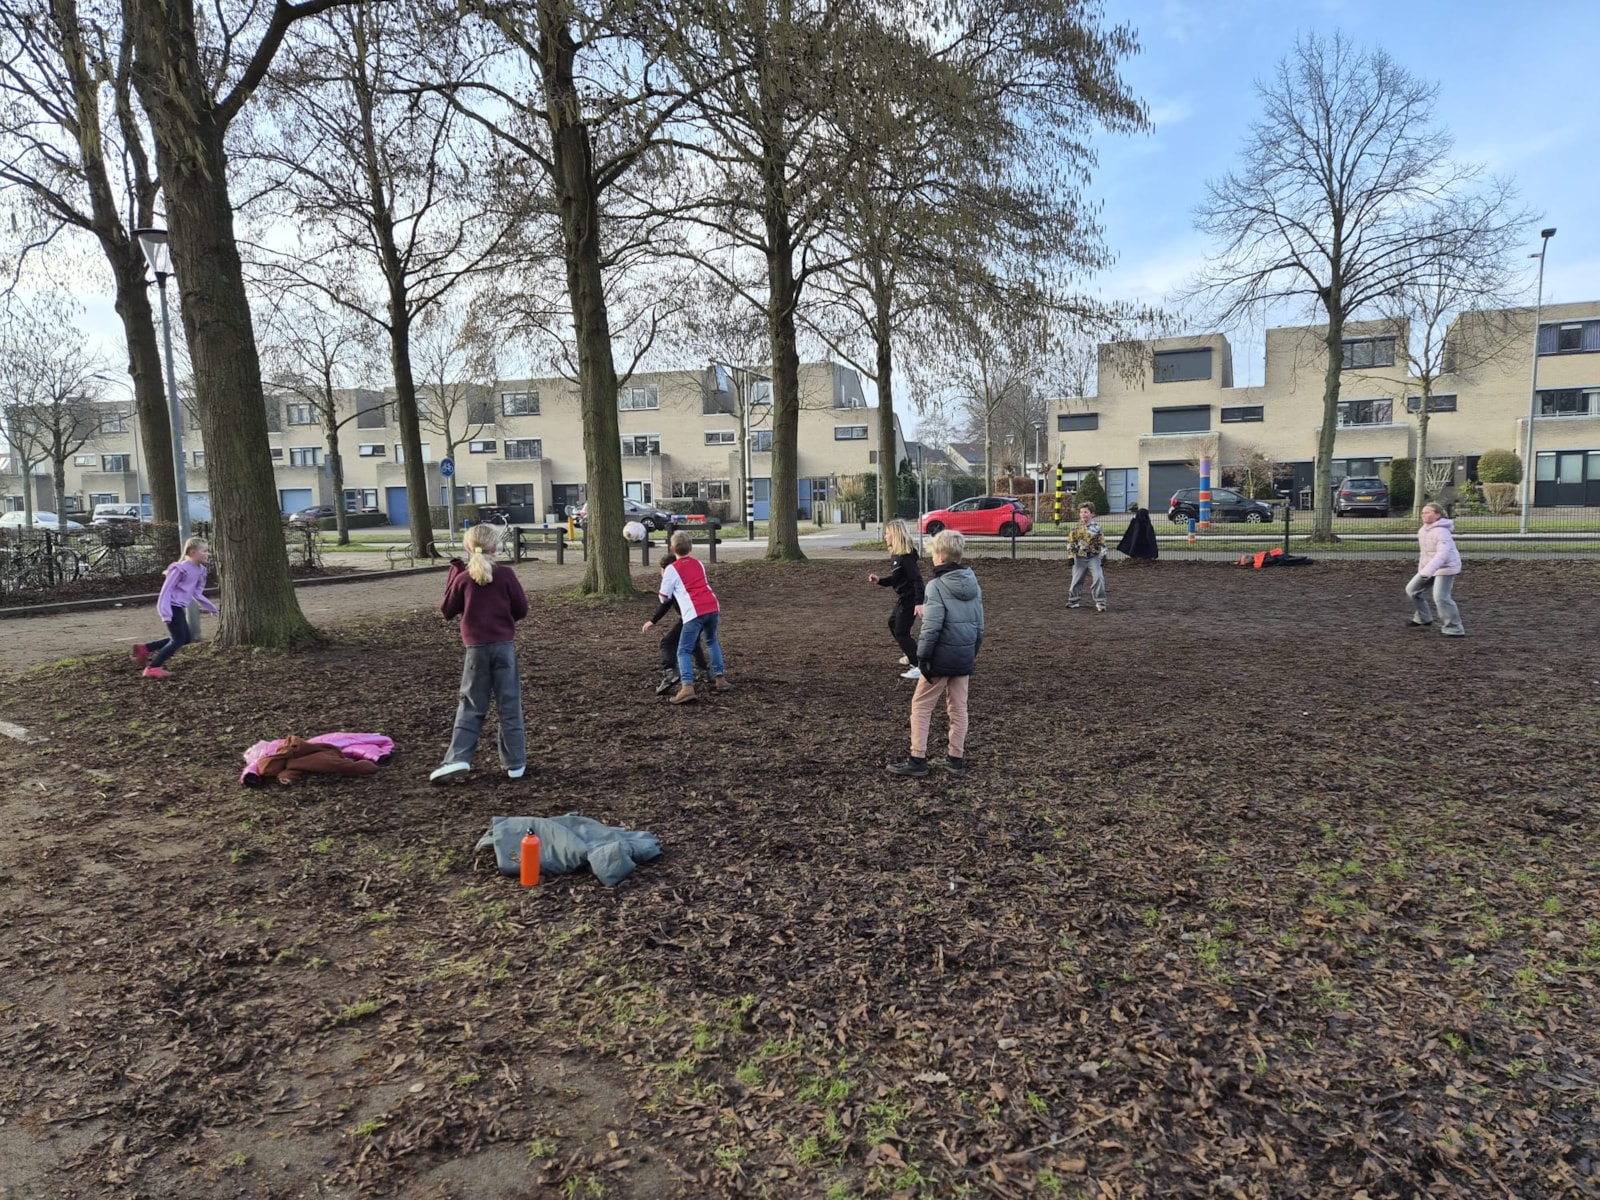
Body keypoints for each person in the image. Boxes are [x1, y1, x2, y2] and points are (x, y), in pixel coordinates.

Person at [431, 525, 530, 784]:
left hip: (476, 651)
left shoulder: (463, 579)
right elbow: (521, 609)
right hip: (504, 648)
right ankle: (516, 763)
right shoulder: (506, 575)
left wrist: (454, 574)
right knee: (509, 705)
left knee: (471, 705)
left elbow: (447, 610)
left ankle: (458, 758)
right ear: (496, 547)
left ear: (467, 547)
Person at [888, 529, 983, 778]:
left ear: (940, 557)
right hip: (964, 656)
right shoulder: (973, 584)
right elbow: (980, 625)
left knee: (921, 705)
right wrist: (971, 654)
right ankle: (955, 758)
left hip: (939, 657)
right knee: (959, 708)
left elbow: (931, 628)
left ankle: (917, 758)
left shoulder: (936, 586)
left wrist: (923, 659)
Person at [642, 531, 728, 704]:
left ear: (672, 549)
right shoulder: (698, 563)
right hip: (712, 606)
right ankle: (720, 679)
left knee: (683, 650)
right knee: (711, 642)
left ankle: (687, 687)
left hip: (694, 611)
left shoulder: (672, 569)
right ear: (691, 547)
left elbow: (663, 597)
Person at [132, 535, 219, 678]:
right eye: (204, 551)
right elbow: (166, 591)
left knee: (186, 638)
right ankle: (153, 668)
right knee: (178, 640)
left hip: (178, 607)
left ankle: (145, 648)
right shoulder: (180, 569)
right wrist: (165, 612)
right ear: (192, 552)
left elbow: (197, 593)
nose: (207, 554)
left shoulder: (201, 570)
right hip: (171, 607)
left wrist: (212, 608)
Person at [868, 518, 925, 679]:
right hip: (904, 598)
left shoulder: (906, 557)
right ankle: (910, 652)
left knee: (901, 631)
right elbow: (896, 579)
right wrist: (880, 581)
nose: (885, 536)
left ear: (895, 535)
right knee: (893, 623)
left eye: (887, 533)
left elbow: (917, 580)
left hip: (910, 599)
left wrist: (919, 603)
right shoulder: (897, 555)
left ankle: (919, 666)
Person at [649, 549, 710, 695]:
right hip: (706, 612)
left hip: (690, 616)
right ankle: (705, 671)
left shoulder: (672, 581)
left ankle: (670, 672)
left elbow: (665, 602)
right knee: (693, 642)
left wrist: (652, 621)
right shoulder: (686, 578)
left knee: (667, 643)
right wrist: (653, 621)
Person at [1406, 502, 1465, 637]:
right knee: (1412, 590)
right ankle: (1423, 618)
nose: (1423, 515)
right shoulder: (1423, 530)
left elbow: (1442, 555)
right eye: (1422, 513)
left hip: (1446, 568)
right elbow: (1425, 554)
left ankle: (1454, 628)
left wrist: (1427, 571)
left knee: (1441, 597)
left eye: (1427, 512)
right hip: (1430, 568)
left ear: (1437, 515)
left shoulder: (1442, 532)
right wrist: (1423, 569)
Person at [1067, 503, 1107, 611]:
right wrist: (1070, 556)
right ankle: (1073, 600)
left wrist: (1103, 555)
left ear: (1092, 514)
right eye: (1081, 512)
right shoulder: (1076, 527)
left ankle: (1100, 602)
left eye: (1085, 512)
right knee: (1076, 579)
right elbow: (1071, 541)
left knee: (1099, 577)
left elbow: (1102, 542)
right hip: (1079, 556)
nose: (1083, 514)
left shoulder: (1097, 527)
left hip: (1094, 556)